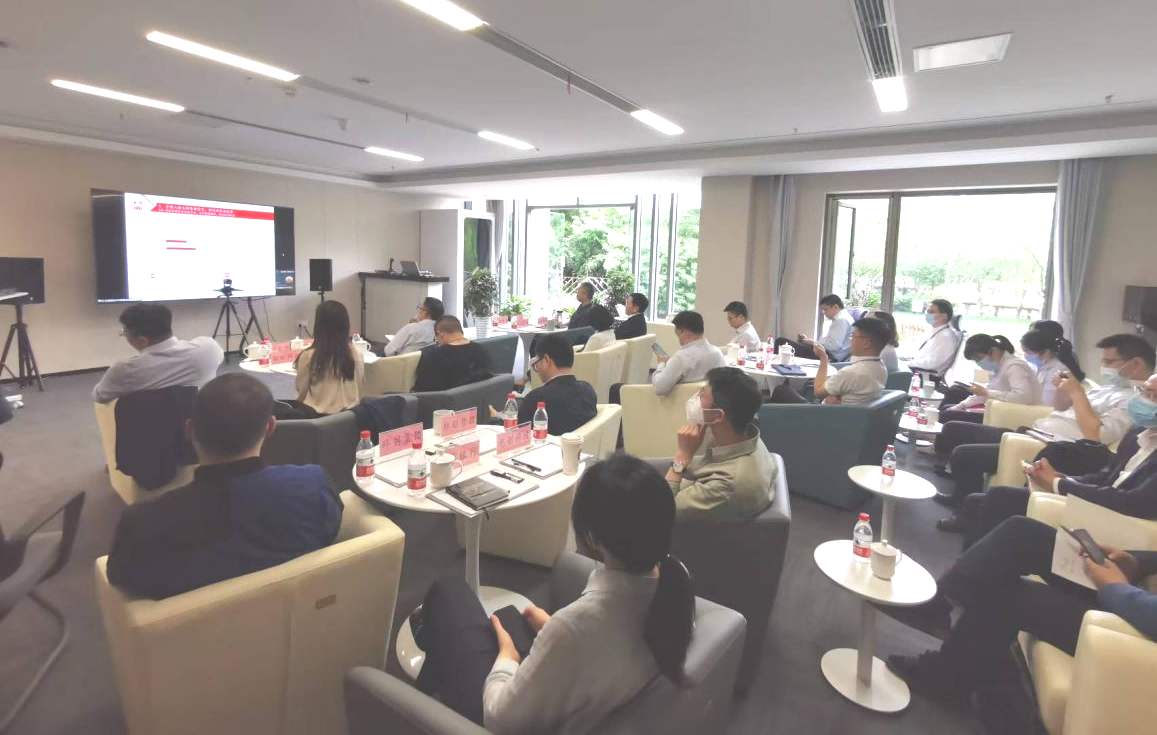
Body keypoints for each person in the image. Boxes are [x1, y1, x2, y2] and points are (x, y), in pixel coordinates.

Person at [409, 455, 695, 732]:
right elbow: (609, 651)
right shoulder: (676, 583)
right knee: (505, 618)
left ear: (594, 537)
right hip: (584, 687)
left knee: (448, 592)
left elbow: (498, 718)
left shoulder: (575, 628)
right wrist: (551, 629)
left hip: (505, 716)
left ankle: (416, 705)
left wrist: (507, 658)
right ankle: (433, 669)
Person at [883, 515, 1157, 718]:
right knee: (1022, 534)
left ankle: (947, 673)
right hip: (1135, 591)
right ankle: (940, 602)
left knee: (1011, 595)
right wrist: (1135, 562)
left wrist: (1116, 588)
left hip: (1136, 624)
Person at [106, 373, 342, 600]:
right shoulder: (314, 485)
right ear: (271, 427)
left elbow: (122, 580)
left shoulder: (141, 526)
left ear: (190, 430)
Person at [935, 336, 1156, 532]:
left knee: (965, 454)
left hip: (1052, 444)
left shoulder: (1129, 401)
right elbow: (1059, 408)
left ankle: (967, 512)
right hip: (1037, 431)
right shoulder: (1106, 390)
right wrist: (1064, 390)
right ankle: (965, 504)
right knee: (955, 428)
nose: (1103, 367)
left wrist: (1078, 394)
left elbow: (1097, 436)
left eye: (1109, 362)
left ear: (1136, 363)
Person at [957, 373, 1157, 545]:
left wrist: (1058, 484)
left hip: (1118, 520)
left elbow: (1133, 502)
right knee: (981, 500)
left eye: (1155, 397)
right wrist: (1063, 478)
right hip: (1099, 500)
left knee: (1005, 509)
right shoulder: (1138, 432)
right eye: (1145, 392)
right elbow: (1107, 475)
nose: (1146, 401)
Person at [663, 366, 776, 519]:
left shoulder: (727, 484)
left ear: (717, 415)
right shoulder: (747, 437)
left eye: (701, 395)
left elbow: (661, 510)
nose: (695, 399)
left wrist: (682, 457)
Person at [93, 303, 224, 403]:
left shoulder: (124, 370)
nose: (124, 335)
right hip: (200, 425)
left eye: (124, 331)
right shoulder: (209, 348)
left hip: (151, 428)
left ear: (142, 341)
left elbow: (99, 396)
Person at [491, 334, 596, 435]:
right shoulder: (587, 390)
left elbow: (515, 433)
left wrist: (496, 418)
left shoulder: (537, 399)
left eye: (537, 362)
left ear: (546, 360)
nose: (537, 368)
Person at [769, 317, 889, 405]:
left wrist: (823, 358)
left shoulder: (852, 372)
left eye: (853, 336)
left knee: (781, 390)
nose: (850, 340)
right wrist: (838, 396)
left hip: (825, 417)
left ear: (866, 343)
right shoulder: (882, 368)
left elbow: (818, 391)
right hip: (852, 416)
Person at [936, 334, 1040, 423]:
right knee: (947, 409)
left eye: (979, 358)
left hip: (1014, 417)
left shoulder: (1015, 367)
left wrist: (987, 392)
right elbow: (986, 393)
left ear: (993, 351)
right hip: (998, 410)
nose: (979, 363)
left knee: (950, 416)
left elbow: (1023, 397)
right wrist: (962, 405)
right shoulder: (999, 367)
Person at [289, 300, 364, 416]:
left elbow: (301, 394)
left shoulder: (309, 356)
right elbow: (359, 387)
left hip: (317, 420)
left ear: (318, 326)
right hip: (350, 417)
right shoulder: (356, 354)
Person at [651, 311, 726, 396]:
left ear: (686, 333)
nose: (679, 340)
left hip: (682, 401)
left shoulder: (681, 357)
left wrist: (661, 364)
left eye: (678, 335)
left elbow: (659, 388)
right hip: (711, 400)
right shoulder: (717, 352)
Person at [412, 316, 494, 392]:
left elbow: (422, 389)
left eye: (436, 339)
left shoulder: (435, 356)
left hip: (444, 401)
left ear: (440, 334)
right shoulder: (481, 350)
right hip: (480, 399)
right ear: (460, 331)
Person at [774, 294, 854, 362]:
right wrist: (810, 341)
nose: (824, 313)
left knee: (781, 342)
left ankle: (776, 369)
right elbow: (833, 343)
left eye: (826, 309)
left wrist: (813, 343)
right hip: (829, 353)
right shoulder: (845, 317)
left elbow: (833, 346)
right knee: (791, 345)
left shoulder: (841, 320)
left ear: (835, 307)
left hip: (830, 356)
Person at [1020, 326, 1085, 405]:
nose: (1025, 355)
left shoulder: (1057, 371)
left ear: (1046, 352)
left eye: (1028, 352)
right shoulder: (1037, 366)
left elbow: (1048, 402)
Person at [903, 299, 961, 382]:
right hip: (916, 367)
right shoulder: (934, 331)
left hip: (925, 376)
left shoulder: (946, 337)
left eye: (931, 312)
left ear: (944, 316)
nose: (927, 314)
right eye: (927, 311)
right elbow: (917, 353)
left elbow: (932, 364)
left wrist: (904, 364)